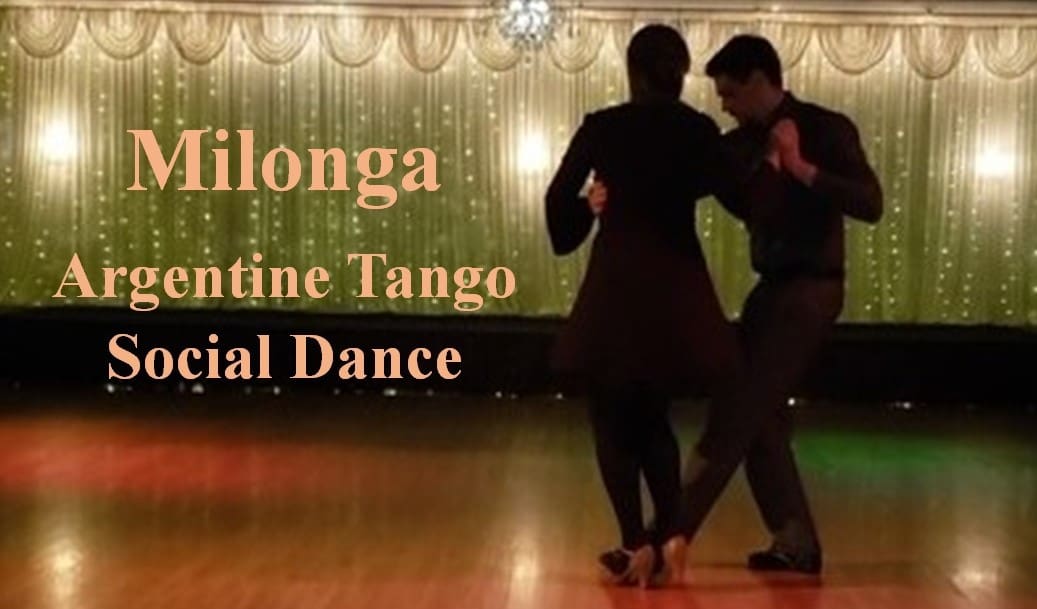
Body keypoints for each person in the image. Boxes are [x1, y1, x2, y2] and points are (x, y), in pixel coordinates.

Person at [591, 34, 883, 576]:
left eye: (729, 93)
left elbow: (870, 203)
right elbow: (699, 185)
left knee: (737, 412)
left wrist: (798, 166)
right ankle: (796, 543)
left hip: (811, 289)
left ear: (758, 80)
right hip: (771, 290)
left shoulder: (825, 127)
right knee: (758, 418)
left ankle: (662, 540)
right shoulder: (739, 145)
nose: (723, 105)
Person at [545, 24, 760, 587]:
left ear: (632, 71)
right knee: (654, 416)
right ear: (681, 75)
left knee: (611, 418)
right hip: (676, 291)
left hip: (617, 287)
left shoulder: (603, 127)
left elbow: (558, 209)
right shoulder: (697, 130)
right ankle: (669, 535)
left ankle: (635, 541)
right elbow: (743, 198)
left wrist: (589, 207)